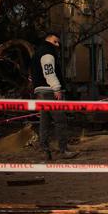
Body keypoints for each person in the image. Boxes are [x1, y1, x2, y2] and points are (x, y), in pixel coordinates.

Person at [30, 32, 77, 160]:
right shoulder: (47, 52)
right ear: (48, 40)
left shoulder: (37, 52)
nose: (57, 45)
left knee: (44, 122)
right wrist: (56, 88)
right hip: (50, 91)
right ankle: (63, 150)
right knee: (60, 121)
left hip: (40, 91)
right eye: (55, 41)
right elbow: (49, 72)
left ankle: (45, 151)